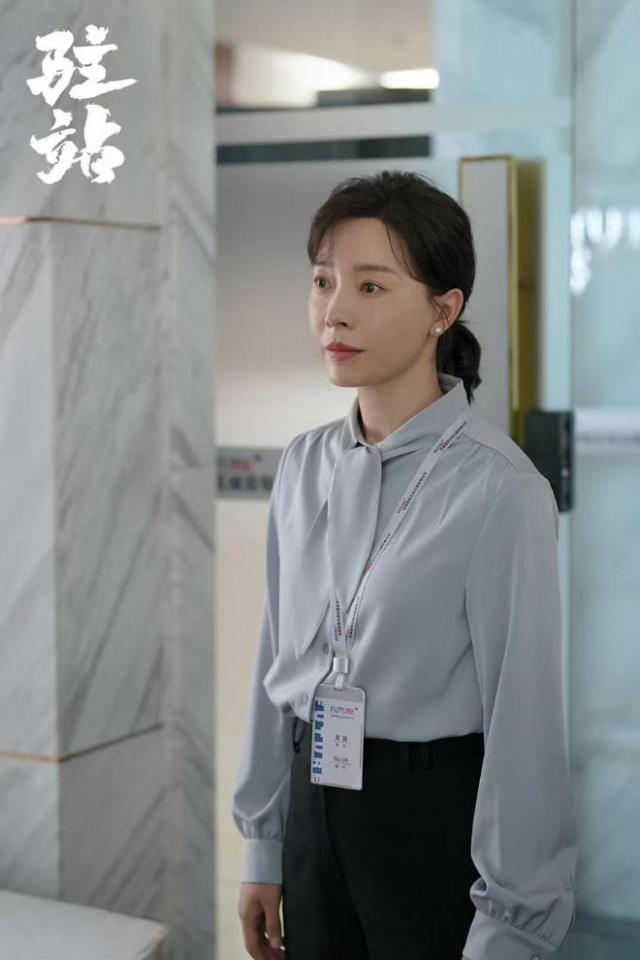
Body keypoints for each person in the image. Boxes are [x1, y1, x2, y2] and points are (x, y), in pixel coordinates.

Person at [232, 170, 578, 960]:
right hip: (313, 805)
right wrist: (263, 844)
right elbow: (274, 659)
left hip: (427, 820)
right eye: (323, 281)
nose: (335, 310)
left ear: (442, 311)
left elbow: (524, 724)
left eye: (371, 286)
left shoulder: (500, 489)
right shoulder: (304, 464)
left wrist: (511, 929)